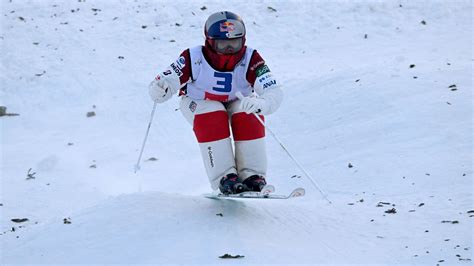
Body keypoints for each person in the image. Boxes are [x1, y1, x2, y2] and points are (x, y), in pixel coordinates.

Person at [148, 11, 282, 194]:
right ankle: (224, 178)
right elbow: (167, 81)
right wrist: (160, 89)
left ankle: (252, 176)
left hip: (235, 101)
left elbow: (273, 90)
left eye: (234, 43)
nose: (229, 49)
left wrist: (263, 104)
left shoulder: (251, 58)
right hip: (197, 102)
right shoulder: (193, 57)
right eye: (223, 44)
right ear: (210, 42)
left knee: (248, 113)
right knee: (213, 113)